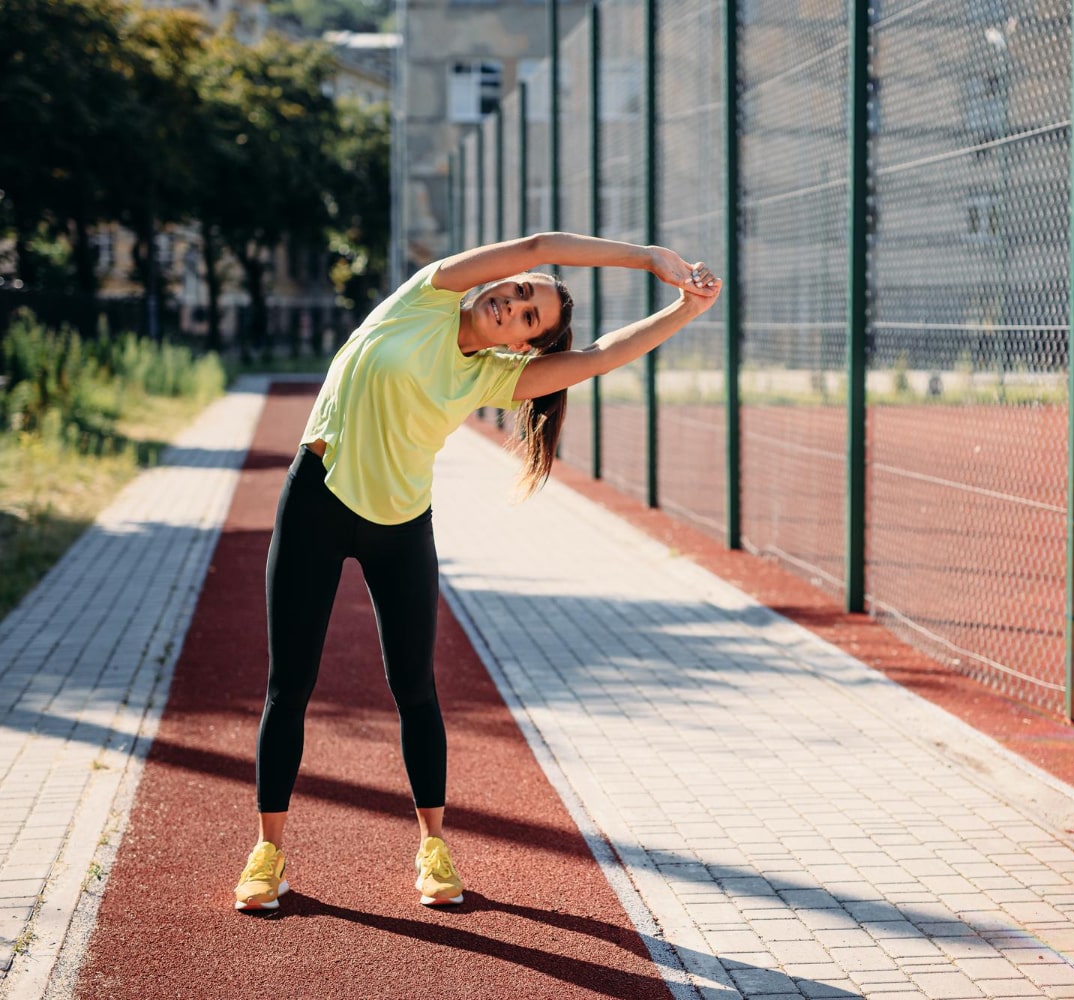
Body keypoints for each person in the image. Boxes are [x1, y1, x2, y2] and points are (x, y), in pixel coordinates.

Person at [234, 232, 720, 911]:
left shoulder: (494, 374)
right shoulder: (429, 296)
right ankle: (268, 853)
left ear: (523, 345)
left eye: (529, 317)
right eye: (520, 291)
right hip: (317, 499)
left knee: (416, 689)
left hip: (399, 524)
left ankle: (433, 846)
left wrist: (683, 313)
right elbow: (539, 244)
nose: (513, 304)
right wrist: (650, 258)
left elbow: (602, 355)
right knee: (290, 685)